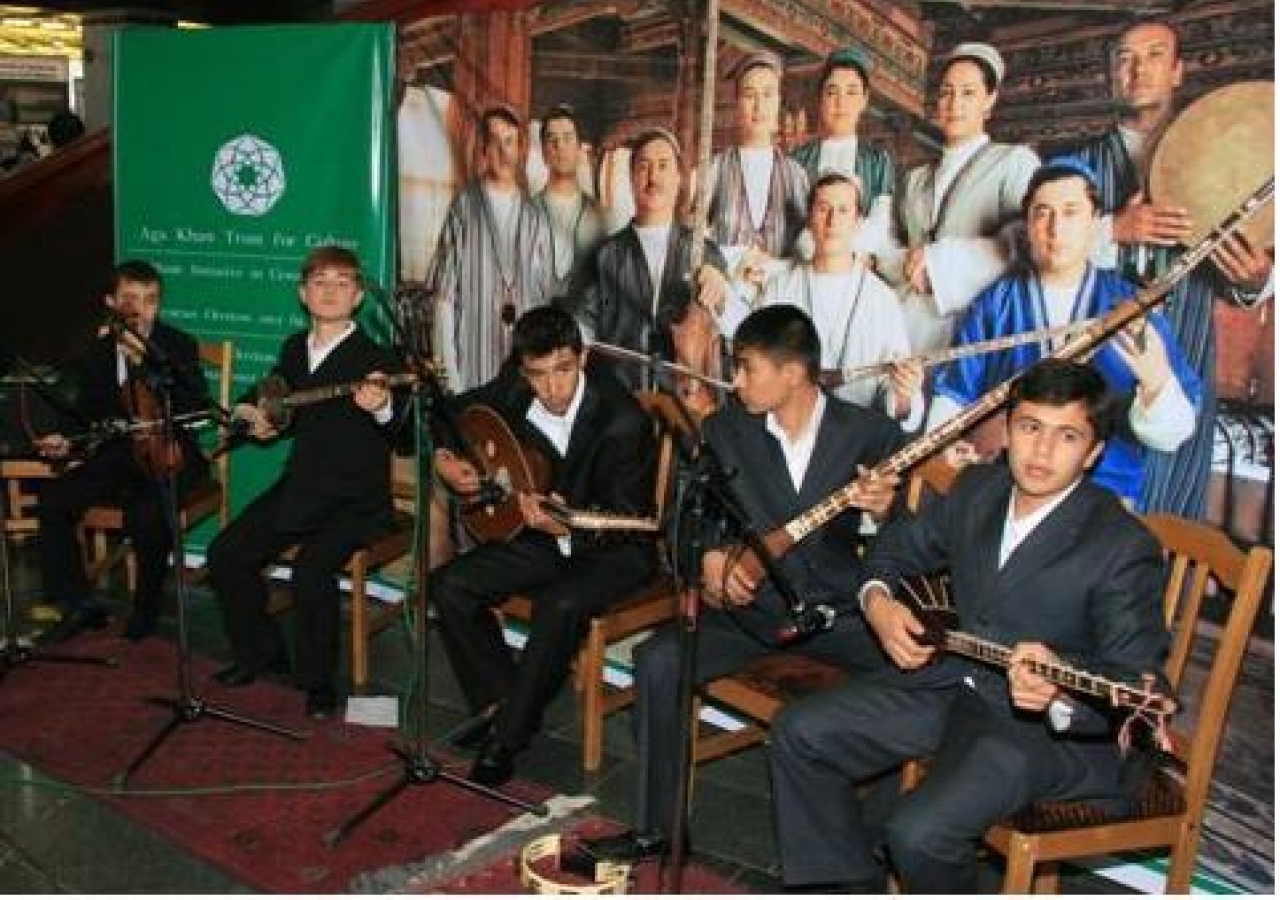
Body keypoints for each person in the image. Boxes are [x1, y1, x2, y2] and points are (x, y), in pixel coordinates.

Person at [769, 359, 1171, 892]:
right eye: (1030, 428)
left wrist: (1060, 687)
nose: (1042, 451)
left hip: (1041, 733)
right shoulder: (979, 489)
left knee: (917, 833)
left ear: (1094, 451)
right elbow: (894, 551)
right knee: (801, 733)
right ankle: (845, 883)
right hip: (951, 684)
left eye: (1067, 435)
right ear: (1006, 431)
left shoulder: (1121, 546)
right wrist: (878, 603)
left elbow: (1139, 681)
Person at [582, 304, 903, 862]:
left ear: (793, 373)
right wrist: (707, 555)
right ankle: (659, 827)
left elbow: (915, 540)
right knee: (659, 661)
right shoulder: (727, 429)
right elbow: (686, 521)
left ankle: (879, 834)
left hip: (834, 613)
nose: (735, 380)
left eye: (748, 367)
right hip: (751, 612)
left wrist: (885, 509)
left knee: (929, 673)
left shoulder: (869, 433)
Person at [428, 306, 659, 788]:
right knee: (449, 584)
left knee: (559, 604)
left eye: (563, 370)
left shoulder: (622, 420)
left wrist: (569, 528)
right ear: (522, 368)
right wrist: (446, 458)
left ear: (583, 357)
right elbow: (449, 413)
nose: (552, 388)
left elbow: (628, 521)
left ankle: (507, 737)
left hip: (613, 545)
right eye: (538, 375)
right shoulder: (513, 387)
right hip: (540, 535)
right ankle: (503, 707)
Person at [1066, 18, 1273, 519]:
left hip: (1186, 346)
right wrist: (1111, 229)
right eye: (1124, 58)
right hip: (1095, 361)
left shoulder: (1222, 151)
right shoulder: (1076, 163)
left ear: (1178, 71)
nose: (1138, 70)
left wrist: (1257, 280)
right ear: (1110, 75)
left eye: (1155, 56)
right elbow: (1028, 249)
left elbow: (1257, 268)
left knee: (1166, 516)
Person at [930, 157, 1201, 510]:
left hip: (1101, 502)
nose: (1055, 228)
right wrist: (947, 449)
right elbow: (953, 395)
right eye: (1042, 213)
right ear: (1028, 225)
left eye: (1071, 212)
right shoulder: (998, 302)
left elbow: (1174, 434)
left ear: (1094, 222)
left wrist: (1157, 382)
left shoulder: (1131, 310)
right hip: (1005, 491)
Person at [206, 246, 405, 719]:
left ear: (358, 296)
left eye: (342, 283)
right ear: (303, 293)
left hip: (357, 500)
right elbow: (276, 399)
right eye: (320, 282)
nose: (330, 291)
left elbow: (401, 430)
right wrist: (250, 411)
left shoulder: (379, 357)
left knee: (312, 572)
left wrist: (379, 406)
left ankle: (318, 683)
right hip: (302, 487)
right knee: (227, 554)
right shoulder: (296, 348)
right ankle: (261, 653)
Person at [36, 260, 212, 644]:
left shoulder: (177, 344)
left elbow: (196, 402)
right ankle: (79, 602)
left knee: (147, 511)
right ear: (111, 303)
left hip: (172, 451)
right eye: (130, 299)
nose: (140, 310)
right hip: (118, 452)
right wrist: (66, 439)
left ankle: (147, 606)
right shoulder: (97, 352)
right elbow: (87, 411)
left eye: (150, 300)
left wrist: (144, 365)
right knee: (54, 499)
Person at [877, 42, 1040, 354]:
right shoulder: (914, 179)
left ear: (989, 101)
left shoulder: (1014, 163)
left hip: (975, 328)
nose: (954, 104)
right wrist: (898, 263)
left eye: (968, 93)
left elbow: (1025, 240)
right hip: (909, 326)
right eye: (946, 92)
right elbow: (893, 246)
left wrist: (941, 267)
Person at [569, 127, 730, 400]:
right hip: (621, 402)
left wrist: (722, 289)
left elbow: (727, 330)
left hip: (687, 405)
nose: (653, 177)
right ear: (631, 178)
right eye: (643, 167)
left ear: (679, 178)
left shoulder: (706, 252)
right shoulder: (606, 255)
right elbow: (582, 326)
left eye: (663, 166)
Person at [761, 172, 923, 427]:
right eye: (823, 208)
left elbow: (896, 400)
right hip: (788, 432)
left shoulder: (882, 300)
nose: (832, 220)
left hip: (854, 442)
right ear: (810, 218)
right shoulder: (779, 290)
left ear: (858, 222)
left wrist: (904, 392)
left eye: (843, 210)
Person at [431, 104, 555, 391]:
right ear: (483, 150)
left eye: (509, 141)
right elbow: (443, 301)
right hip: (471, 368)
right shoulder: (464, 206)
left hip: (523, 373)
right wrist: (449, 378)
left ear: (521, 149)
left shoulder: (534, 216)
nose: (502, 150)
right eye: (494, 141)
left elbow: (543, 303)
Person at [706, 51, 809, 299]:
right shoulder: (716, 167)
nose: (758, 106)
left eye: (767, 94)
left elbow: (807, 243)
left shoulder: (796, 174)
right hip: (727, 296)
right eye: (749, 95)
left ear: (778, 102)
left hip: (779, 296)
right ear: (737, 102)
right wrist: (734, 260)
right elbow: (695, 237)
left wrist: (774, 266)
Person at [789, 45, 895, 251]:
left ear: (865, 99)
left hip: (860, 264)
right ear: (821, 98)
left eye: (851, 92)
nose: (841, 102)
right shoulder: (798, 160)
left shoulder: (877, 161)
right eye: (832, 92)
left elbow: (880, 225)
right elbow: (793, 224)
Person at [532, 104, 607, 299]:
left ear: (579, 148)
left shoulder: (599, 216)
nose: (560, 147)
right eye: (552, 140)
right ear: (543, 152)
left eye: (567, 138)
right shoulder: (525, 213)